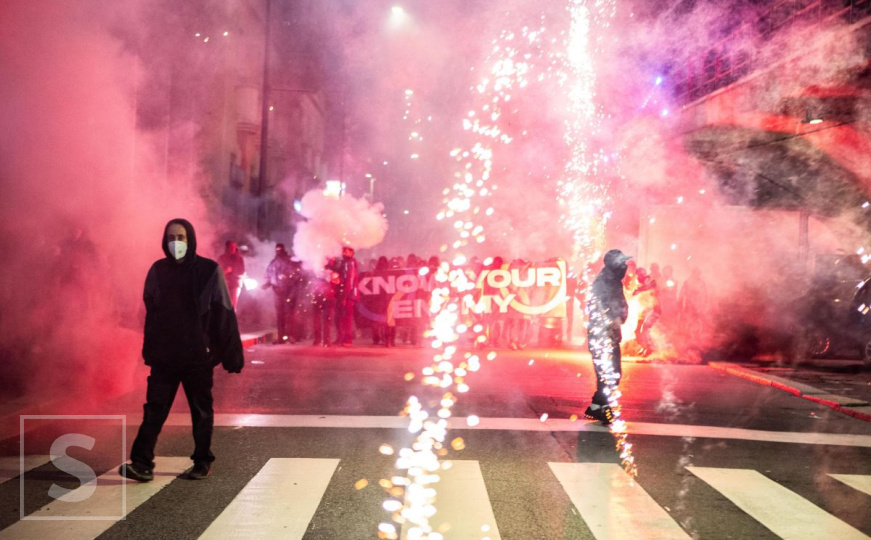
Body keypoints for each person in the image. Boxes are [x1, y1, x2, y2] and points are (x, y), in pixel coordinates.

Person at [119, 219, 244, 483]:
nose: (175, 243)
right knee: (154, 410)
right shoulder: (157, 270)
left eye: (181, 237)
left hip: (197, 356)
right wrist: (150, 350)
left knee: (201, 411)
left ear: (191, 240)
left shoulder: (209, 271)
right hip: (165, 357)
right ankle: (141, 463)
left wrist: (231, 353)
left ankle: (202, 461)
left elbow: (224, 313)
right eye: (171, 237)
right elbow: (150, 316)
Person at [584, 249, 631, 425]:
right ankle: (604, 409)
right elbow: (597, 307)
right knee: (610, 373)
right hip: (603, 335)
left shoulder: (612, 281)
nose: (625, 266)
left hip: (608, 334)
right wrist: (611, 322)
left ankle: (596, 407)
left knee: (610, 373)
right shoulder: (604, 282)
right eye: (622, 263)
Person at [262, 243, 300, 344]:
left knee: (289, 315)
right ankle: (281, 337)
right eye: (277, 250)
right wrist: (266, 284)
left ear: (283, 250)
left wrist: (287, 277)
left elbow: (296, 275)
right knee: (280, 316)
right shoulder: (273, 263)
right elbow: (269, 276)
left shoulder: (290, 261)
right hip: (277, 292)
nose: (278, 252)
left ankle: (291, 336)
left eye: (280, 250)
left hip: (288, 291)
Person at [633, 267, 662, 357]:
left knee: (645, 328)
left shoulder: (651, 282)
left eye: (641, 275)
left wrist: (639, 290)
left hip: (654, 310)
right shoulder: (639, 284)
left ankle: (650, 347)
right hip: (644, 310)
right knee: (637, 330)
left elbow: (650, 287)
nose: (639, 277)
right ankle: (644, 346)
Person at [335, 245, 359, 346]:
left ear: (351, 252)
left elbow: (350, 281)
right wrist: (339, 280)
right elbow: (345, 278)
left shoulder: (350, 263)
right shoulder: (345, 262)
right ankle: (342, 338)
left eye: (346, 251)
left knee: (347, 318)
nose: (343, 252)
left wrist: (345, 296)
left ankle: (348, 339)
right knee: (341, 317)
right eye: (343, 250)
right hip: (345, 293)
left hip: (349, 295)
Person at [310, 261, 338, 347]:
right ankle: (326, 340)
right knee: (326, 319)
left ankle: (318, 340)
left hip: (319, 297)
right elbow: (336, 282)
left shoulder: (315, 272)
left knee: (318, 319)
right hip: (328, 297)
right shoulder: (331, 273)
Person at [217, 240, 245, 308]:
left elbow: (242, 271)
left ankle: (232, 314)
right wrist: (225, 271)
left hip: (235, 283)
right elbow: (217, 272)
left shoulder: (239, 258)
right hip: (225, 283)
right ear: (227, 247)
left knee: (232, 304)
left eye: (234, 247)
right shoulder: (222, 258)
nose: (232, 248)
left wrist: (233, 271)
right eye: (231, 247)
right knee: (224, 303)